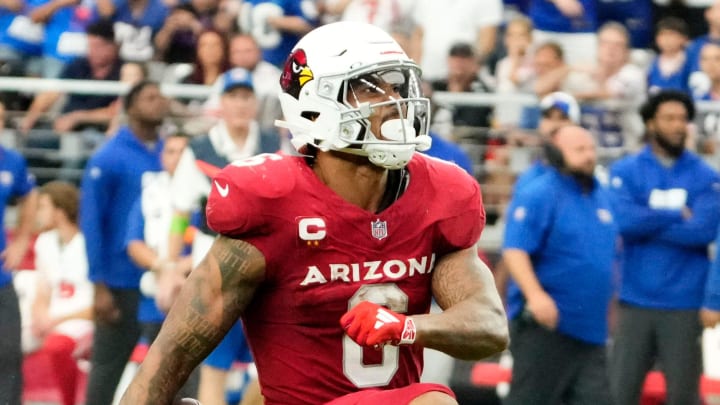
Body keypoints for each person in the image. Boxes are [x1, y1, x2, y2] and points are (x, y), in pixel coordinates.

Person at [120, 21, 509, 405]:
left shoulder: (435, 198)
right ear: (313, 109)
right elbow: (170, 354)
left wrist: (407, 328)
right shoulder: (275, 207)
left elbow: (489, 325)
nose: (395, 101)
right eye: (369, 88)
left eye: (397, 85)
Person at [607, 90, 720, 405]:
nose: (678, 125)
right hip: (634, 301)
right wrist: (673, 214)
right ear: (651, 124)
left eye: (683, 119)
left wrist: (647, 221)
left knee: (684, 397)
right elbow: (623, 222)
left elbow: (703, 231)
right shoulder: (625, 171)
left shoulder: (706, 175)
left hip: (684, 305)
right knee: (619, 394)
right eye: (669, 118)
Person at [502, 125, 617, 405]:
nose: (589, 156)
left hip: (591, 329)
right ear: (556, 153)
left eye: (591, 149)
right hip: (546, 326)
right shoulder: (541, 192)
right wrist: (535, 295)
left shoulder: (601, 194)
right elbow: (515, 250)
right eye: (579, 150)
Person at [80, 80, 168, 405]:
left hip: (161, 281)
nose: (160, 102)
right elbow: (91, 222)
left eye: (160, 96)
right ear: (130, 107)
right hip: (119, 281)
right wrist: (97, 284)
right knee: (107, 367)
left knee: (167, 371)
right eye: (150, 97)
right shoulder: (108, 157)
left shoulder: (168, 153)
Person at [125, 132, 199, 400]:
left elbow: (216, 241)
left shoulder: (204, 191)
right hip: (157, 302)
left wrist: (183, 267)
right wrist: (163, 266)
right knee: (157, 375)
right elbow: (134, 242)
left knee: (193, 377)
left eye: (183, 151)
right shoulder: (150, 194)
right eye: (170, 151)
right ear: (161, 156)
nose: (177, 157)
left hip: (197, 300)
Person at [29, 181, 93, 405]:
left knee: (57, 345)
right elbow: (42, 289)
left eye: (43, 206)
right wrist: (40, 314)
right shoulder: (44, 243)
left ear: (60, 211)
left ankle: (69, 400)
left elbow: (97, 303)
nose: (38, 213)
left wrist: (57, 319)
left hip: (83, 319)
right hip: (54, 318)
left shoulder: (88, 243)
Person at [0, 101, 38, 405]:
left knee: (10, 353)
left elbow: (30, 195)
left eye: (1, 119)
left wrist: (22, 239)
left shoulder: (11, 162)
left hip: (1, 278)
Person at [647, 17, 691, 95]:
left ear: (683, 39)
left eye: (671, 34)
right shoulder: (650, 63)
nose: (666, 39)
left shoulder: (690, 62)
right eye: (662, 34)